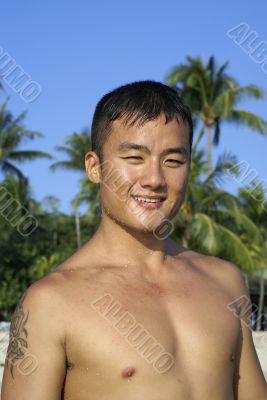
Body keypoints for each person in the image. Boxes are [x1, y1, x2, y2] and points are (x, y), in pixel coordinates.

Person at [1, 81, 267, 400]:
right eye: (134, 158)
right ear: (94, 167)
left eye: (173, 161)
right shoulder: (52, 302)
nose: (154, 179)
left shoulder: (225, 281)